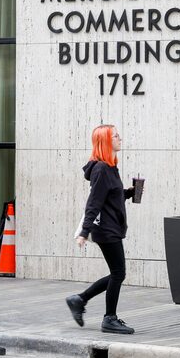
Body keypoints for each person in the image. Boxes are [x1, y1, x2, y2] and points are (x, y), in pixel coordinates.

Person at [66, 125, 137, 334]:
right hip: (106, 229)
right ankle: (109, 318)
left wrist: (128, 193)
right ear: (106, 141)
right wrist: (83, 232)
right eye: (116, 135)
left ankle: (79, 300)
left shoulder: (109, 166)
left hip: (111, 226)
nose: (120, 138)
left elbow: (110, 196)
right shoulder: (101, 169)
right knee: (118, 273)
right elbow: (94, 203)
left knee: (117, 273)